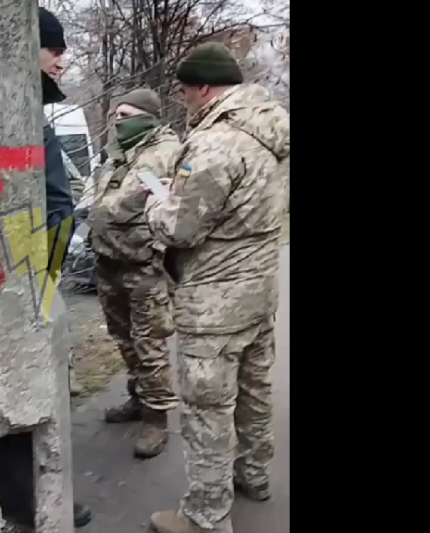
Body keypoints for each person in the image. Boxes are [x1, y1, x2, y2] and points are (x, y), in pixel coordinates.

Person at [144, 43, 290, 533]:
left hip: (214, 306)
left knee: (208, 408)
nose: (184, 100)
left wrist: (155, 203)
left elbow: (180, 230)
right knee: (254, 391)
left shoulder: (215, 144)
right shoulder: (273, 129)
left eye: (185, 91)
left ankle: (206, 516)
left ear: (203, 88)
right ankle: (254, 474)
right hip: (259, 291)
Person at [86, 88, 182, 459]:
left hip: (143, 268)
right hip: (109, 263)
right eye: (115, 115)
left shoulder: (165, 154)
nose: (118, 122)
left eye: (125, 115)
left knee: (150, 345)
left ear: (147, 116)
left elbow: (166, 205)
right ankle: (138, 398)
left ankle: (156, 420)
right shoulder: (117, 155)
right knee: (124, 341)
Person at [38, 7, 91, 527]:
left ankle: (38, 492)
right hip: (26, 279)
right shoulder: (11, 111)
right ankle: (34, 498)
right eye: (55, 47)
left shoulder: (31, 109)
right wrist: (42, 277)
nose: (63, 57)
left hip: (37, 276)